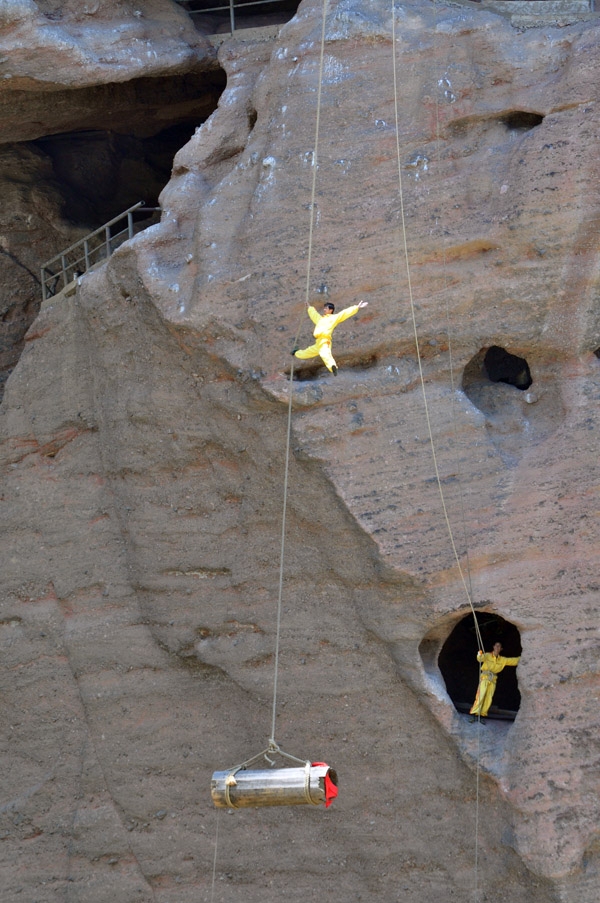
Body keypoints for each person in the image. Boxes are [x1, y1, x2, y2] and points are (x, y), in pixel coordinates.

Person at [292, 299, 369, 374]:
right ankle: (296, 352)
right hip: (318, 342)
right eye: (324, 308)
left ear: (331, 310)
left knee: (325, 353)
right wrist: (309, 307)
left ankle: (333, 367)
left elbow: (344, 313)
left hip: (325, 341)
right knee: (305, 353)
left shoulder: (334, 318)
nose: (324, 309)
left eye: (326, 308)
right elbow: (314, 314)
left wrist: (357, 307)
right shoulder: (320, 319)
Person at [469, 641, 520, 723]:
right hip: (485, 677)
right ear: (493, 647)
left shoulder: (502, 660)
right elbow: (480, 659)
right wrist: (479, 654)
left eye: (499, 646)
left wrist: (525, 656)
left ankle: (482, 715)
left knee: (489, 698)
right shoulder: (488, 655)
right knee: (481, 695)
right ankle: (474, 714)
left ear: (501, 649)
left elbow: (513, 661)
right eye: (496, 646)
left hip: (493, 679)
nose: (497, 647)